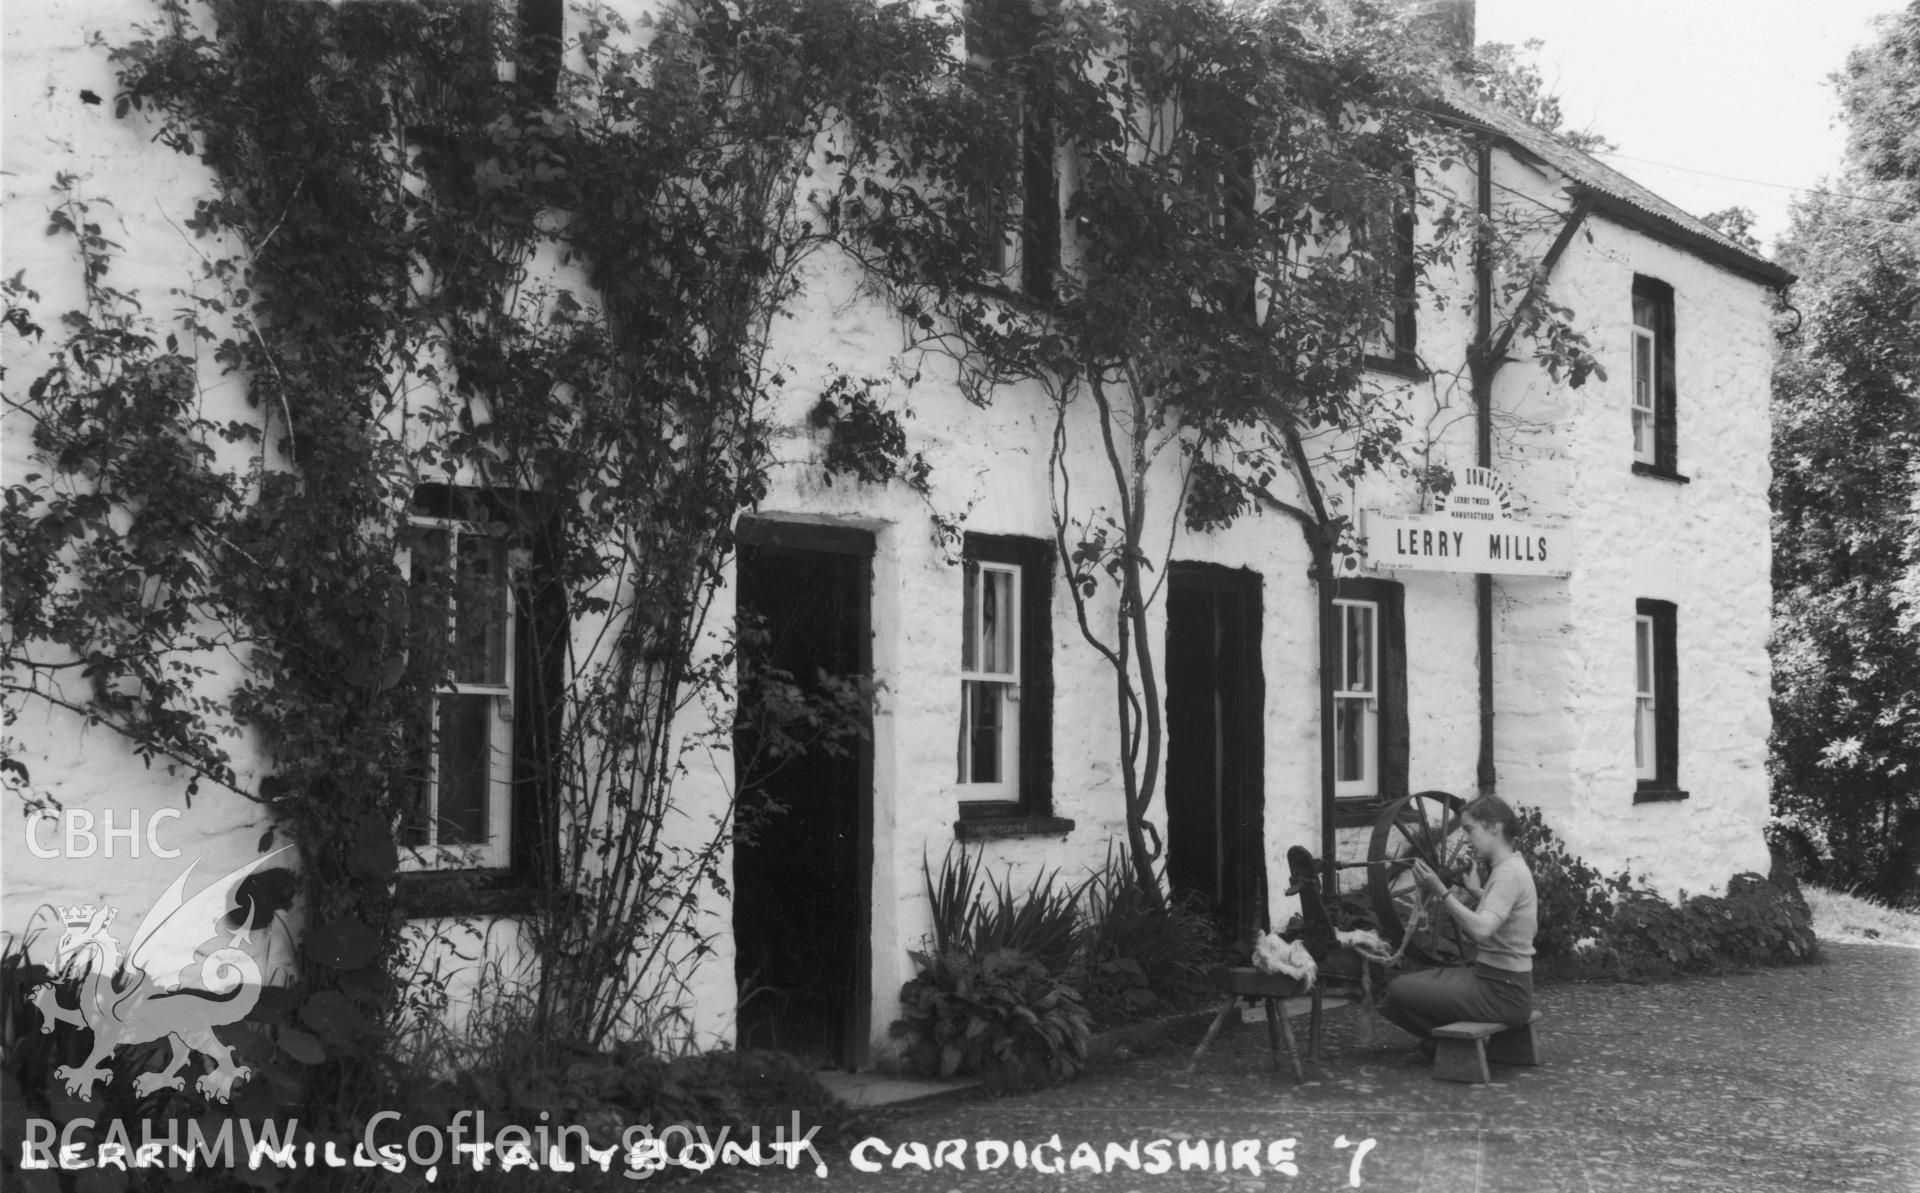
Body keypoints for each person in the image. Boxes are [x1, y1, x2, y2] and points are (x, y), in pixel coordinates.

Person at [1376, 795, 1536, 1049]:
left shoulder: (1508, 873)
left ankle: (1450, 1043)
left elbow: (1481, 930)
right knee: (1420, 983)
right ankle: (1446, 1040)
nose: (1466, 838)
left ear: (1494, 826)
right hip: (1503, 984)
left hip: (1500, 992)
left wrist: (1440, 890)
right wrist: (1476, 892)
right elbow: (1507, 911)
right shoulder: (1512, 866)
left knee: (1397, 990)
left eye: (1470, 829)